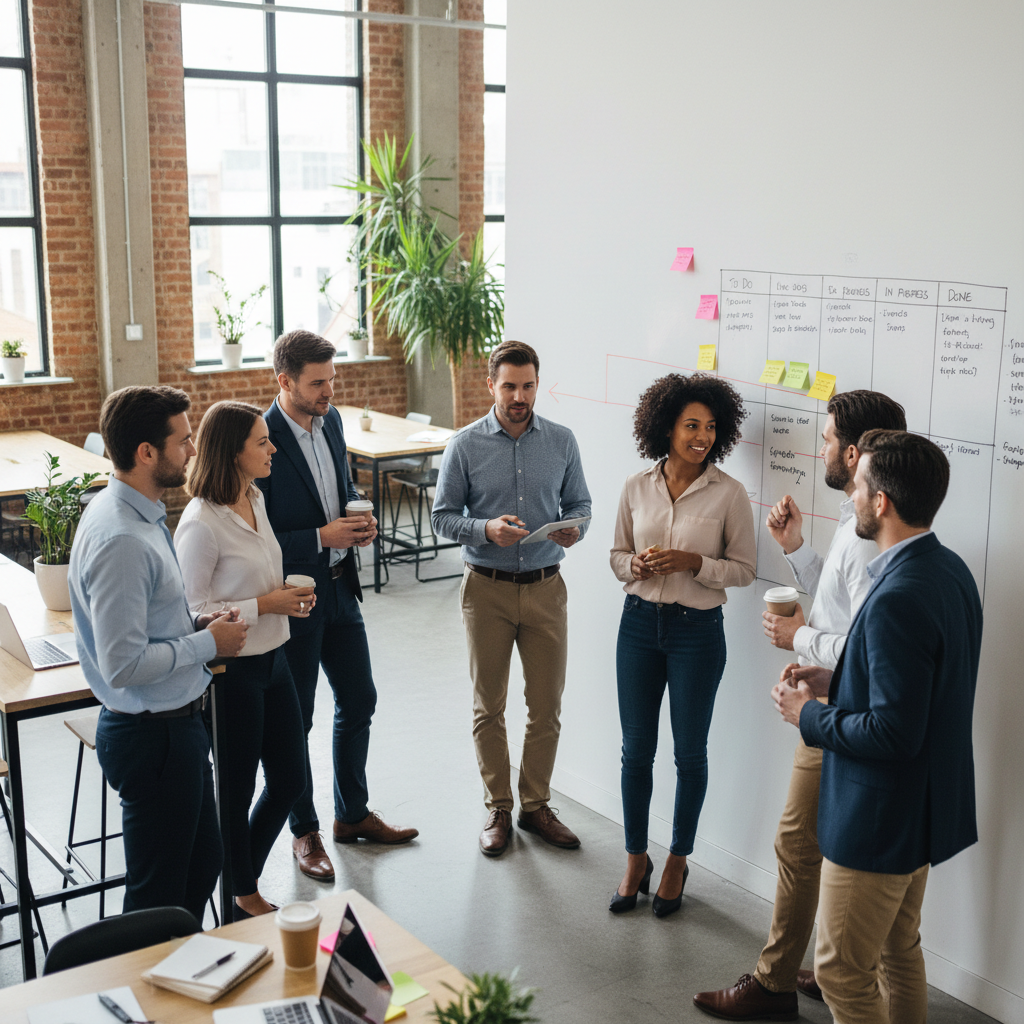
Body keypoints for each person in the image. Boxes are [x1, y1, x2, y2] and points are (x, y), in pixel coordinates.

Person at [694, 390, 907, 1017]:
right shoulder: (857, 519)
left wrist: (800, 638)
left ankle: (774, 983)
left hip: (843, 713)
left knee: (797, 844)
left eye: (828, 438)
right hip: (838, 702)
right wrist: (794, 548)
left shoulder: (869, 537)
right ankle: (831, 970)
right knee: (817, 847)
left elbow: (865, 643)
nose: (820, 449)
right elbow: (840, 600)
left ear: (854, 452)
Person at [771, 429, 982, 1024]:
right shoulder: (949, 571)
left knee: (841, 972)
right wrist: (836, 680)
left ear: (881, 501)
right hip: (922, 810)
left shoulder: (896, 597)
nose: (853, 497)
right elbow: (919, 693)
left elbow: (893, 733)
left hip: (879, 819)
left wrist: (809, 715)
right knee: (898, 947)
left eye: (859, 486)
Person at [68, 386, 248, 922]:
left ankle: (176, 965)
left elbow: (149, 621)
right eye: (184, 440)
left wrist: (194, 624)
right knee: (157, 899)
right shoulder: (122, 539)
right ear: (147, 452)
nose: (194, 450)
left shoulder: (139, 514)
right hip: (153, 738)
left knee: (201, 864)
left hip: (174, 729)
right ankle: (148, 975)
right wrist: (206, 644)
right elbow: (123, 663)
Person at [258, 330, 418, 882]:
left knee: (359, 699)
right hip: (296, 598)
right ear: (285, 381)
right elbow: (258, 535)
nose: (329, 391)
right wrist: (322, 537)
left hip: (341, 589)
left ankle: (351, 814)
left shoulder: (332, 422)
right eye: (317, 383)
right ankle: (304, 830)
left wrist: (359, 516)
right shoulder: (261, 438)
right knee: (297, 719)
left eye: (332, 379)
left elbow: (342, 486)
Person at [431, 340, 592, 857]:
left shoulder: (562, 441)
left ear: (537, 385)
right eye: (509, 387)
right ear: (491, 386)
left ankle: (535, 805)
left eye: (527, 386)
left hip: (546, 589)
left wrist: (574, 529)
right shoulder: (464, 445)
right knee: (489, 705)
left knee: (546, 707)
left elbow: (581, 505)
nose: (519, 396)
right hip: (487, 590)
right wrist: (485, 529)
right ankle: (498, 808)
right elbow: (441, 517)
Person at [608, 373, 756, 917]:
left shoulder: (730, 493)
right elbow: (617, 555)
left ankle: (677, 859)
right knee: (635, 752)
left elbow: (744, 570)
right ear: (666, 427)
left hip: (697, 633)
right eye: (691, 425)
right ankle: (635, 858)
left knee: (689, 754)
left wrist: (696, 563)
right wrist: (635, 565)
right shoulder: (635, 486)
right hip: (638, 627)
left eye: (711, 427)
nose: (702, 436)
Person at [175, 401, 310, 919]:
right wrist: (266, 604)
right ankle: (244, 893)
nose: (272, 447)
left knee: (291, 780)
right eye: (262, 441)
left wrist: (285, 596)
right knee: (237, 788)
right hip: (231, 672)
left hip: (275, 659)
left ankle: (235, 877)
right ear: (233, 452)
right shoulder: (200, 523)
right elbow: (193, 612)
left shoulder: (254, 496)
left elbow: (256, 577)